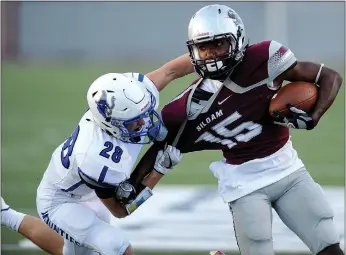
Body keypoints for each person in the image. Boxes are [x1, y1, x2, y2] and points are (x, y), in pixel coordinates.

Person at [132, 4, 344, 255]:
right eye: (203, 47)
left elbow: (330, 77)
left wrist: (313, 117)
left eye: (218, 44)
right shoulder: (185, 111)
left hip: (288, 170)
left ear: (237, 41)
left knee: (329, 245)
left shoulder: (266, 59)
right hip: (245, 185)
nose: (210, 54)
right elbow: (154, 156)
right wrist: (129, 186)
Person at [35, 69, 186, 255]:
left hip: (88, 191)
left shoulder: (128, 105)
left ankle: (6, 214)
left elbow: (171, 71)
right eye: (134, 120)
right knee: (118, 248)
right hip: (60, 201)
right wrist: (158, 172)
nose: (143, 123)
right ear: (112, 123)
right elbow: (121, 210)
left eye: (142, 114)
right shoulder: (96, 157)